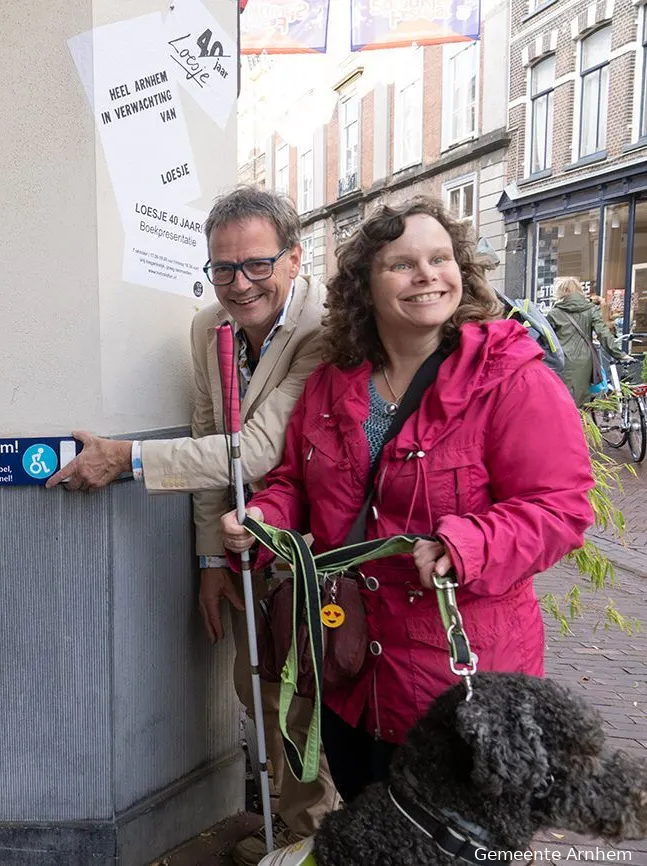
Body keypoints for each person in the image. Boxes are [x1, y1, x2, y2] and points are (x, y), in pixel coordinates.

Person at [221, 197, 594, 806]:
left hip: (458, 685)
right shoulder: (330, 384)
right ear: (365, 286)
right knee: (371, 826)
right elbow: (294, 480)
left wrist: (468, 543)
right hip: (348, 673)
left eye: (439, 259)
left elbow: (560, 508)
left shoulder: (512, 379)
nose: (427, 275)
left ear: (461, 273)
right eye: (402, 264)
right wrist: (264, 517)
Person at [47, 186, 340, 864]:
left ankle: (323, 837)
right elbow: (213, 441)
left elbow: (260, 449)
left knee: (305, 697)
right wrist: (209, 563)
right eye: (222, 268)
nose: (239, 285)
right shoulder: (206, 329)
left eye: (256, 265)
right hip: (239, 548)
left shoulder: (324, 328)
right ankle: (296, 830)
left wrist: (126, 457)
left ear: (294, 259)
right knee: (255, 687)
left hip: (310, 541)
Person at [549, 277, 630, 406]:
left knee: (560, 401)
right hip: (585, 362)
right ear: (579, 291)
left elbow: (547, 340)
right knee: (581, 403)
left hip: (561, 360)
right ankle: (581, 425)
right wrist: (620, 354)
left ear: (561, 292)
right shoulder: (591, 309)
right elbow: (603, 334)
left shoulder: (554, 313)